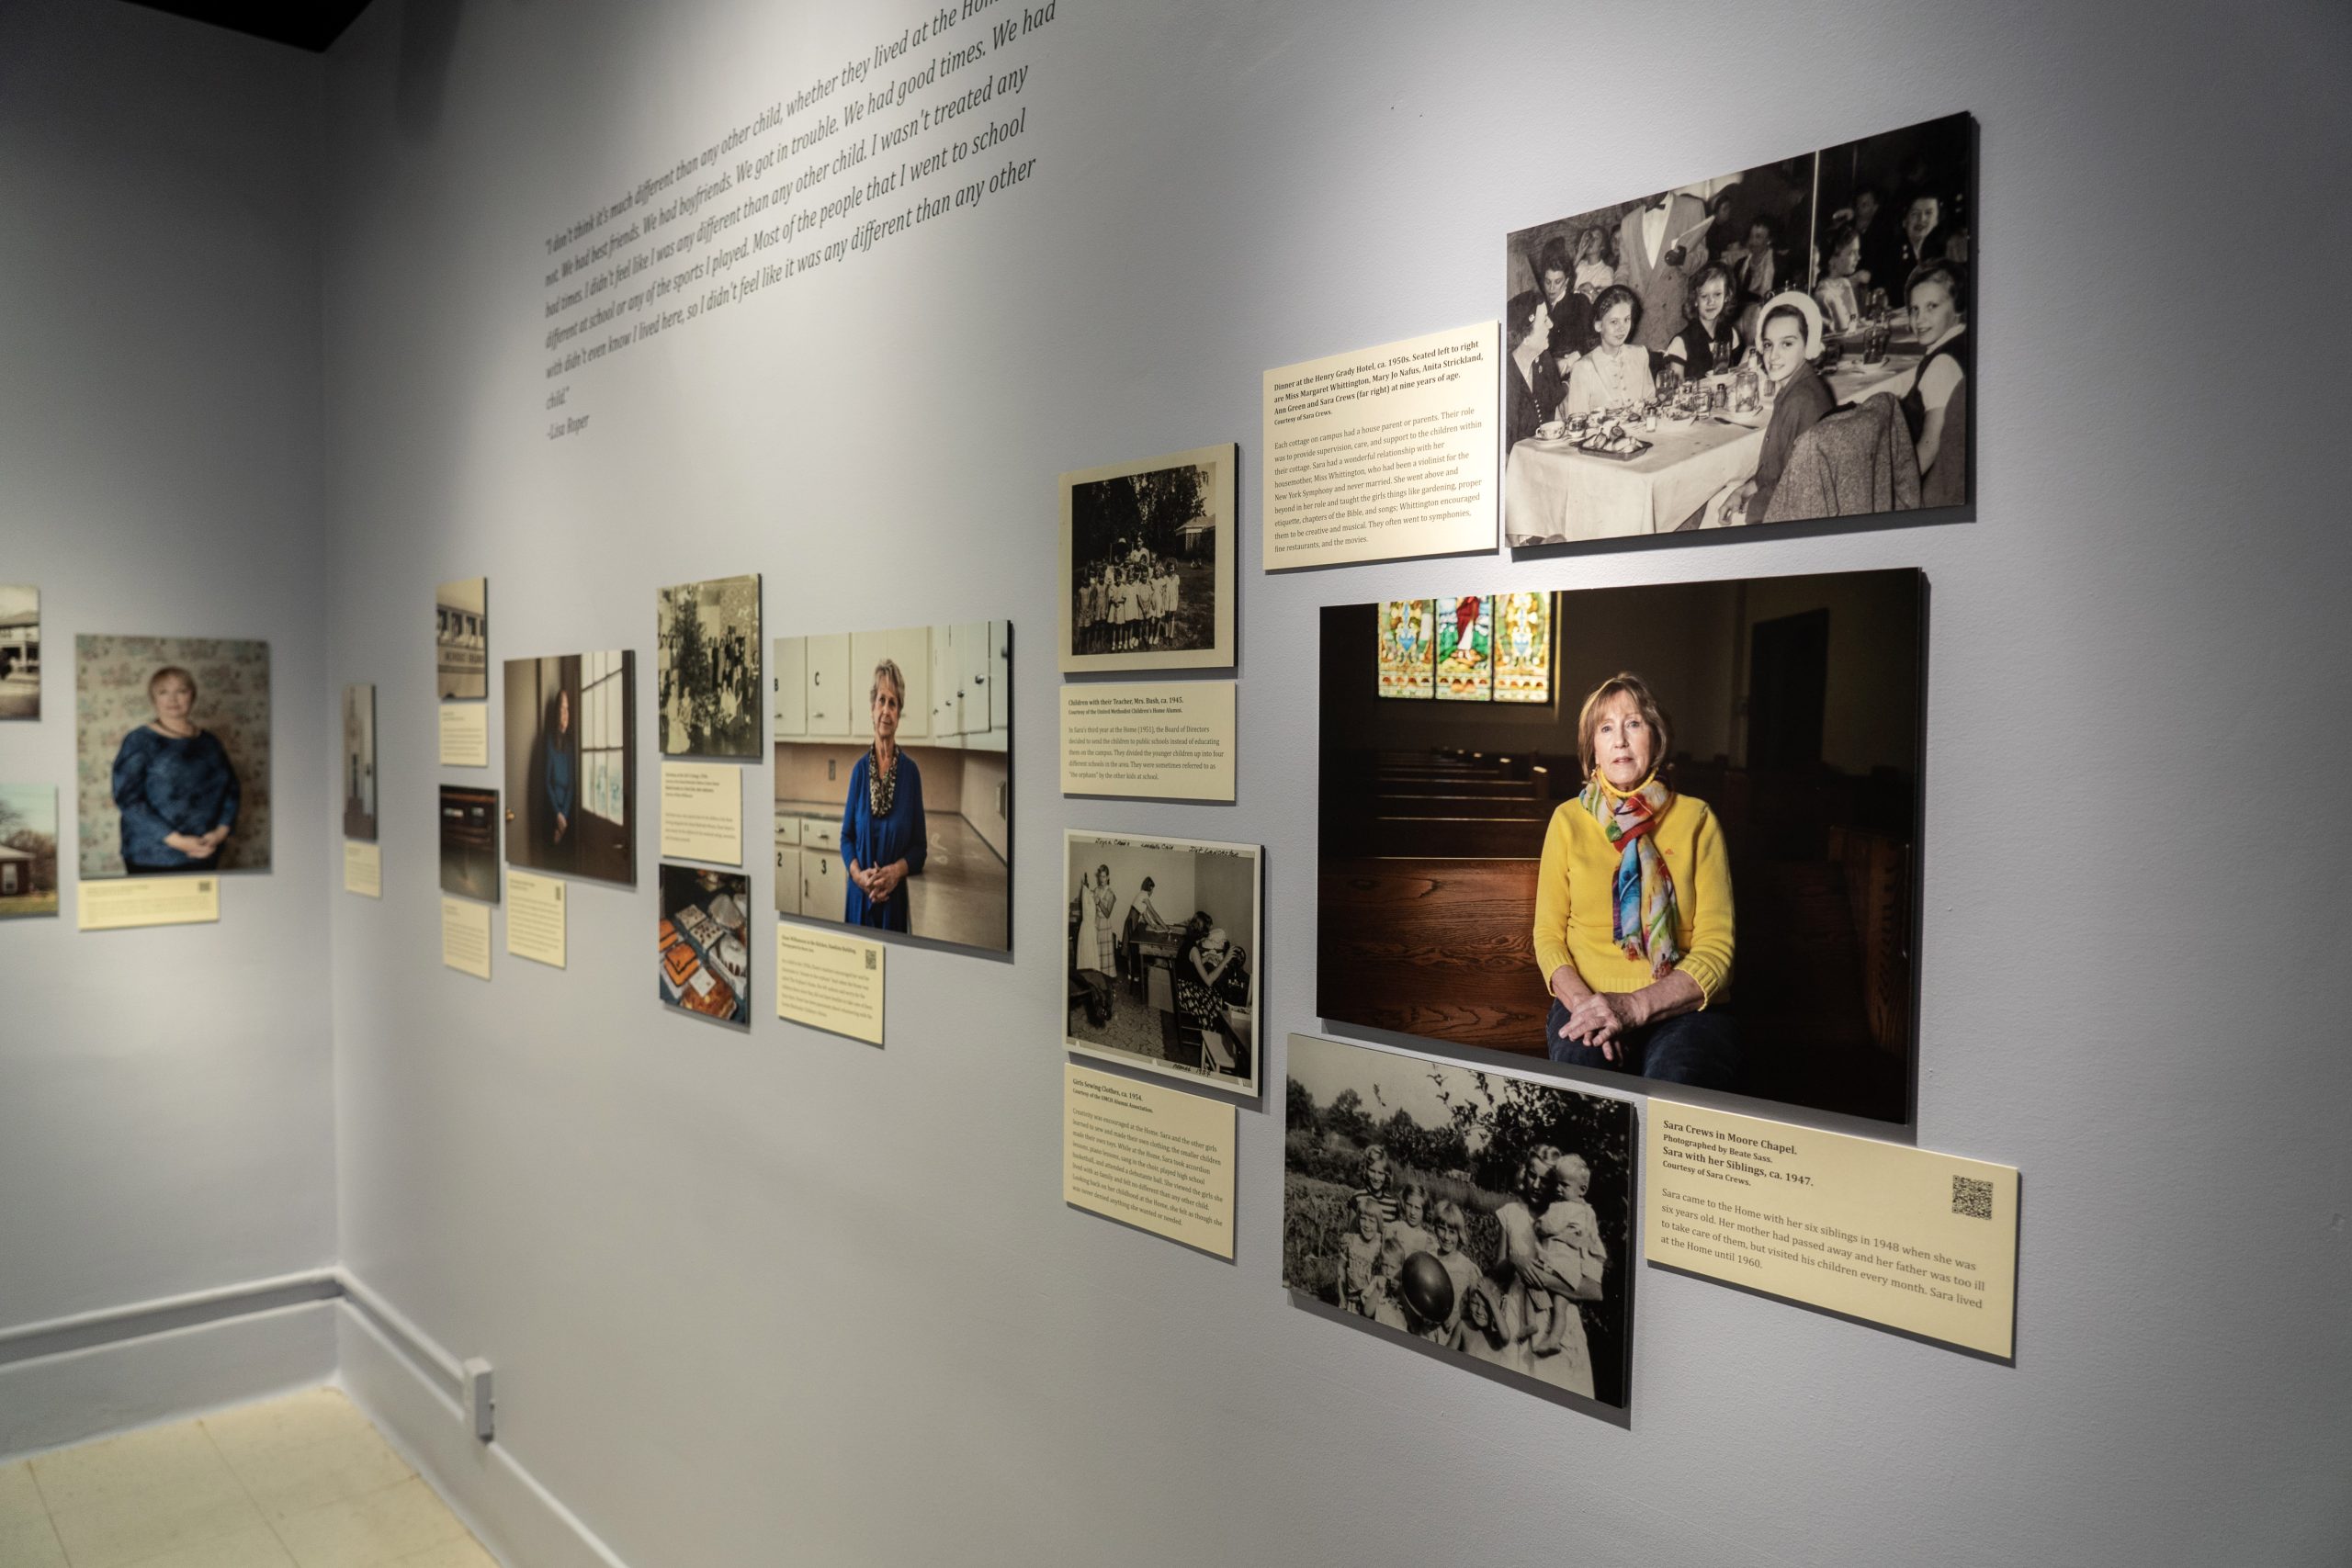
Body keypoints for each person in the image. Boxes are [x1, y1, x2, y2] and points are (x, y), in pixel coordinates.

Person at [1532, 672, 1738, 1088]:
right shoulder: (1567, 820)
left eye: (1634, 724)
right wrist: (1590, 1007)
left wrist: (1632, 1007)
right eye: (1606, 728)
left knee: (1676, 1082)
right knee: (1586, 1084)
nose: (1620, 741)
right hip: (1586, 999)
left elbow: (1718, 950)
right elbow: (1548, 937)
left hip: (1682, 1008)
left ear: (1656, 738)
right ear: (1592, 748)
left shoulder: (1697, 819)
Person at [1704, 291, 1835, 527]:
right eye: (1768, 344)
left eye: (1787, 344)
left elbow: (1797, 490)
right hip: (1783, 494)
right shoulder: (1795, 387)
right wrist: (1743, 491)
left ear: (1808, 345)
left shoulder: (1801, 401)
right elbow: (1776, 470)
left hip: (1790, 513)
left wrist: (1750, 506)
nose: (1773, 356)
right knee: (1722, 498)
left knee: (1714, 512)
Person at [110, 664, 240, 874]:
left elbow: (231, 790)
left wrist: (220, 833)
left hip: (206, 851)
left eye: (181, 691)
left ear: (192, 696)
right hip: (152, 856)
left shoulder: (210, 742)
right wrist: (178, 841)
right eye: (163, 692)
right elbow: (129, 799)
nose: (173, 699)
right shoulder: (139, 740)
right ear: (154, 699)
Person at [1489, 1147, 1597, 1394]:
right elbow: (1497, 1271)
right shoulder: (1511, 1213)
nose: (1536, 1185)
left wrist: (1546, 1279)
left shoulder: (1572, 1215)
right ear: (1524, 1174)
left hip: (1557, 1319)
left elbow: (1594, 1288)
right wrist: (1515, 1261)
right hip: (1518, 1315)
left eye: (1545, 1180)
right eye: (1531, 1175)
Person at [842, 658, 927, 932]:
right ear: (872, 708)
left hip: (893, 904)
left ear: (899, 714)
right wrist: (858, 876)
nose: (886, 711)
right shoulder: (858, 772)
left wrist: (894, 872)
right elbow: (846, 837)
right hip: (859, 901)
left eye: (893, 703)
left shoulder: (911, 774)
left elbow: (919, 849)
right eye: (881, 701)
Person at [1899, 260, 1971, 506]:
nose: (1920, 319)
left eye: (1932, 306)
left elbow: (1930, 446)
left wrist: (1897, 491)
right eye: (1914, 309)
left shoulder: (1941, 365)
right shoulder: (1963, 340)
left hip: (1931, 487)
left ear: (1958, 307)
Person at [1526, 1153, 1608, 1359]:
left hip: (1558, 1262)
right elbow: (1588, 1239)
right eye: (1557, 1184)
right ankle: (1553, 1339)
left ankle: (1532, 1324)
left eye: (1564, 1185)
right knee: (1560, 1306)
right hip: (1571, 1268)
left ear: (1582, 1189)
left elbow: (1549, 1225)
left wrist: (1538, 1226)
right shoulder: (1588, 1212)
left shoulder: (1563, 1207)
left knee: (1532, 1282)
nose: (1558, 1189)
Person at [1615, 187, 1712, 352]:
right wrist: (1616, 295)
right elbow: (1624, 268)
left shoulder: (1692, 208)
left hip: (1674, 317)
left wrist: (1683, 260)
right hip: (1639, 323)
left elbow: (1702, 257)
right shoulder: (1628, 222)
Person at [1563, 286, 1657, 416]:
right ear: (1598, 326)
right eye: (1614, 322)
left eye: (1626, 319)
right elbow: (1577, 421)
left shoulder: (1640, 355)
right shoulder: (1583, 368)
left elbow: (1651, 407)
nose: (1622, 328)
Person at [1178, 922, 1245, 1074]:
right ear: (1203, 935)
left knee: (1215, 996)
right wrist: (1225, 960)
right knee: (1216, 1000)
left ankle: (1216, 1042)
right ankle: (1216, 1047)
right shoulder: (1194, 949)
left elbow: (1193, 964)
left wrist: (1207, 957)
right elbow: (1208, 981)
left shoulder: (1188, 945)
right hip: (1188, 995)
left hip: (1184, 989)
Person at [1663, 265, 1742, 384]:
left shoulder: (1731, 333)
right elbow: (1676, 390)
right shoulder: (1681, 343)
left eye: (1717, 294)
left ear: (1727, 297)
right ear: (1695, 300)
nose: (1711, 302)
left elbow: (1737, 374)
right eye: (1704, 296)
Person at [1505, 289, 1555, 448]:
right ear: (1525, 338)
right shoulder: (1504, 381)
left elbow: (1556, 417)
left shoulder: (1544, 361)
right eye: (1545, 320)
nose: (1551, 324)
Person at [1453, 1275, 1532, 1375]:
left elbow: (1506, 1336)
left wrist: (1489, 1297)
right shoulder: (1463, 1326)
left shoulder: (1495, 1333)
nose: (1479, 1311)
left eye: (1487, 1306)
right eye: (1475, 1303)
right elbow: (1446, 1356)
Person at [1337, 1197, 1387, 1318]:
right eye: (1363, 1219)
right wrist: (1342, 1297)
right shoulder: (1351, 1241)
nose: (1367, 1225)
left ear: (1378, 1223)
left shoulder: (1382, 1245)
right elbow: (1340, 1266)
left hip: (1373, 1306)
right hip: (1352, 1303)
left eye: (1372, 1221)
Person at [542, 687, 576, 857]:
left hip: (568, 816)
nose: (566, 714)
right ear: (556, 712)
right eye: (562, 709)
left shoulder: (570, 745)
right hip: (551, 813)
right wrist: (557, 815)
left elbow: (571, 786)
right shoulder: (548, 743)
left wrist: (564, 816)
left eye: (567, 709)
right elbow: (546, 783)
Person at [1815, 222, 1864, 333]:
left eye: (1858, 252)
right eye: (1852, 253)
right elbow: (1841, 332)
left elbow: (1854, 322)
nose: (1858, 257)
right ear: (1832, 259)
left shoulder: (1844, 283)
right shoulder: (1824, 295)